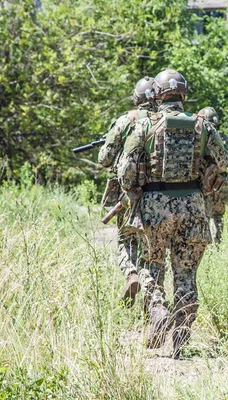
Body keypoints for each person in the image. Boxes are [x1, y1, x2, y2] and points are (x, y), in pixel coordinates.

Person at [117, 68, 228, 357]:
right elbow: (223, 159)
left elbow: (125, 170)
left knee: (152, 266)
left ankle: (157, 312)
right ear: (184, 95)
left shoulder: (146, 126)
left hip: (154, 207)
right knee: (187, 273)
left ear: (157, 95)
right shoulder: (203, 126)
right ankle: (180, 337)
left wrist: (134, 187)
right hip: (193, 207)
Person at [98, 76, 156, 306]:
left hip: (127, 195)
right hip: (156, 194)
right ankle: (150, 298)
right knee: (152, 247)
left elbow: (104, 159)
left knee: (126, 240)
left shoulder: (126, 120)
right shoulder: (162, 120)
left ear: (137, 98)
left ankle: (131, 273)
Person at [198, 107, 228, 244]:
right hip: (221, 183)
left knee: (203, 215)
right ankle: (217, 245)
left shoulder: (200, 137)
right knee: (217, 216)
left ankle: (205, 244)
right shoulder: (226, 138)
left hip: (204, 182)